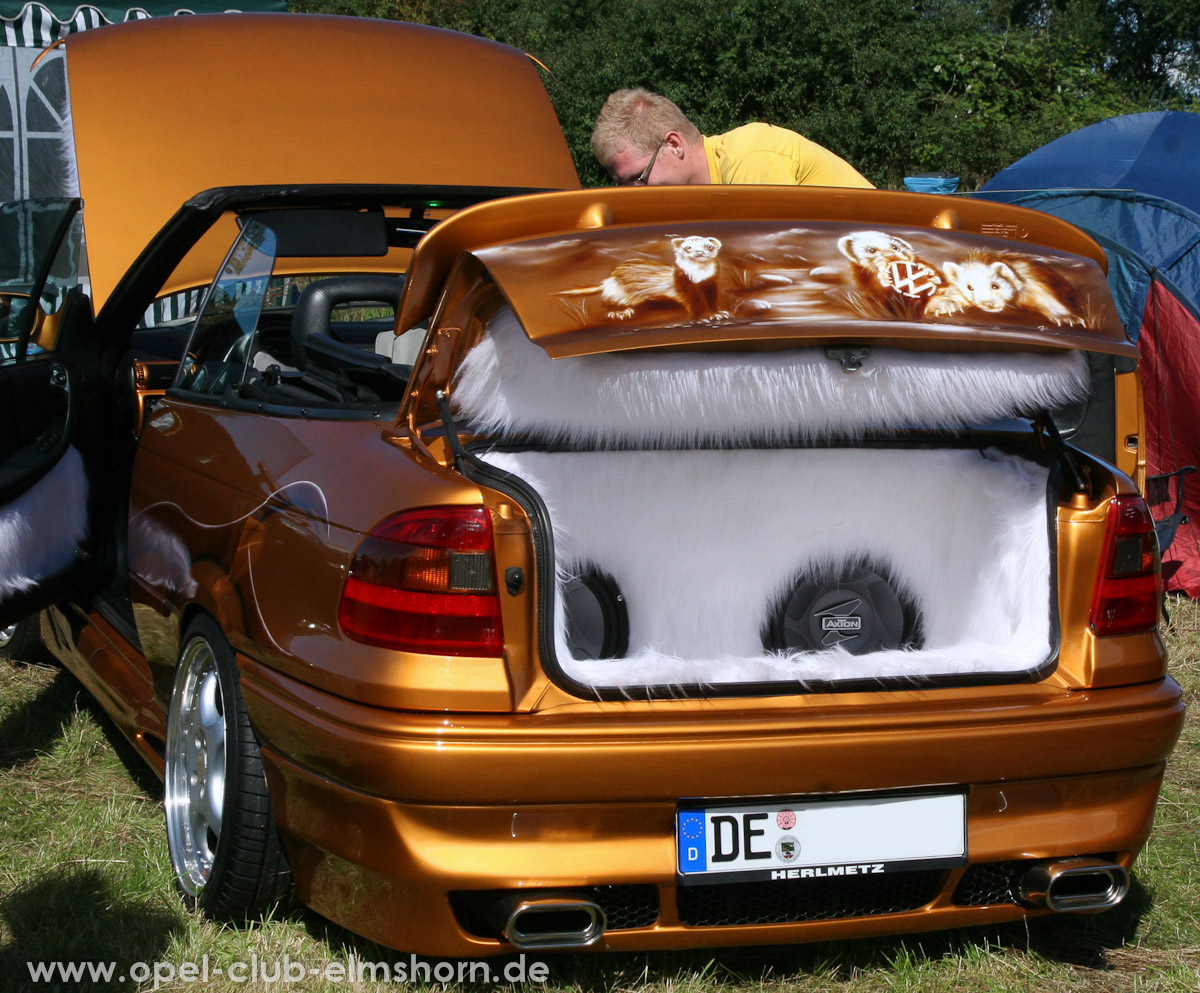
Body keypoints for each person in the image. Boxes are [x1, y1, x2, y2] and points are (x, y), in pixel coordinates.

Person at [591, 88, 873, 189]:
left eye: (639, 178)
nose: (633, 194)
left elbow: (771, 269)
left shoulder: (750, 157)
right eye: (622, 185)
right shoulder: (703, 194)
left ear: (674, 145)